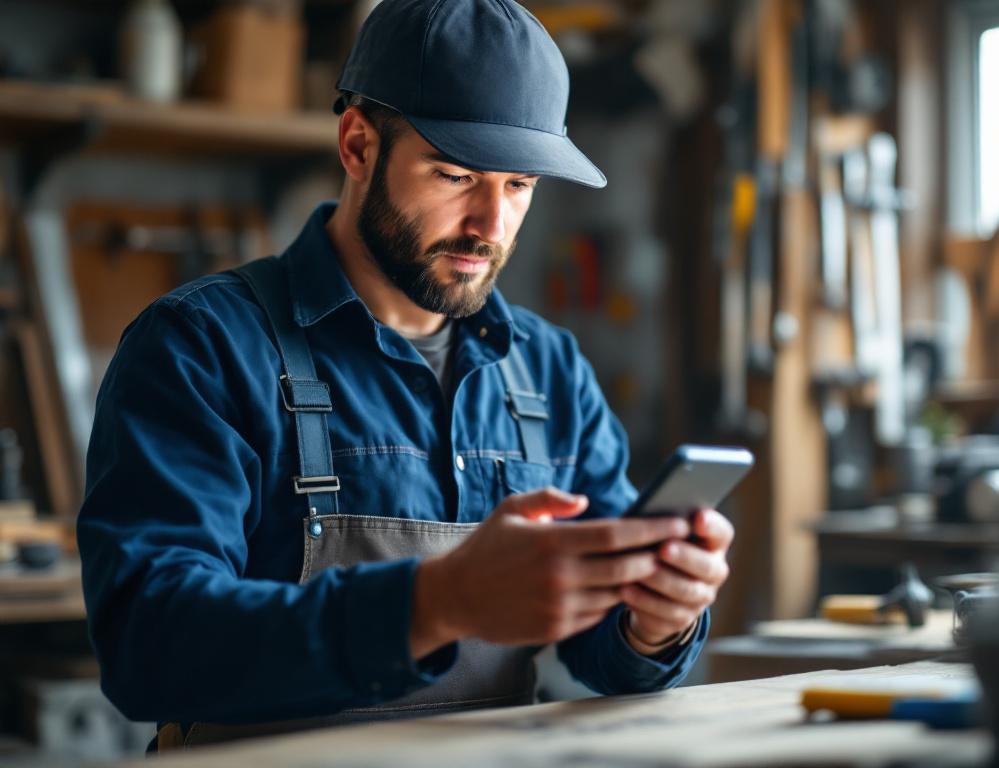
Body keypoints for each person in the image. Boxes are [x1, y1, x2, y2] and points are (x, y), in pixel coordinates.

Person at [77, 0, 734, 750]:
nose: (491, 224)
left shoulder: (548, 371)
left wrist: (653, 623)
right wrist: (430, 604)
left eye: (519, 184)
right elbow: (146, 646)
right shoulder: (203, 348)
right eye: (455, 175)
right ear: (357, 145)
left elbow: (603, 650)